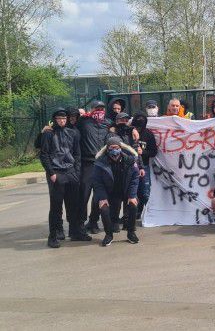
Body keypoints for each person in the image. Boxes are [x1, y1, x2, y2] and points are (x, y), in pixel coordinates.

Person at [40, 108, 91, 247]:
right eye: (58, 118)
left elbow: (77, 154)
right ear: (54, 119)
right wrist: (51, 173)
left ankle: (75, 232)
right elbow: (44, 155)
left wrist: (76, 172)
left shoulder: (73, 133)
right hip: (57, 173)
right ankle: (53, 235)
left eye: (64, 118)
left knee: (73, 205)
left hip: (71, 172)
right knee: (56, 206)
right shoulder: (48, 134)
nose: (62, 121)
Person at [92, 136, 140, 246]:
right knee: (103, 208)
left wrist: (132, 195)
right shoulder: (100, 163)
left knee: (133, 205)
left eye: (117, 147)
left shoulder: (130, 160)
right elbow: (97, 182)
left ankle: (131, 233)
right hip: (109, 193)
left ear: (121, 148)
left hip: (125, 191)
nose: (114, 150)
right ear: (107, 149)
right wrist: (103, 198)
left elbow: (135, 178)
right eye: (111, 148)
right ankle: (108, 235)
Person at [78, 100, 111, 234]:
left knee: (99, 195)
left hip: (102, 163)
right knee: (84, 195)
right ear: (91, 110)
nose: (100, 111)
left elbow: (121, 127)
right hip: (87, 163)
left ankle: (93, 222)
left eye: (102, 109)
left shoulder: (107, 124)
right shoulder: (84, 122)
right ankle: (80, 223)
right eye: (97, 109)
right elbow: (70, 123)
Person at [131, 112, 158, 217]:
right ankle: (135, 212)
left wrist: (143, 152)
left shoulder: (148, 134)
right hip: (130, 166)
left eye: (140, 126)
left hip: (144, 166)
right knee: (133, 191)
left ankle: (149, 214)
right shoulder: (129, 132)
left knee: (145, 191)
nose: (138, 128)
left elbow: (154, 152)